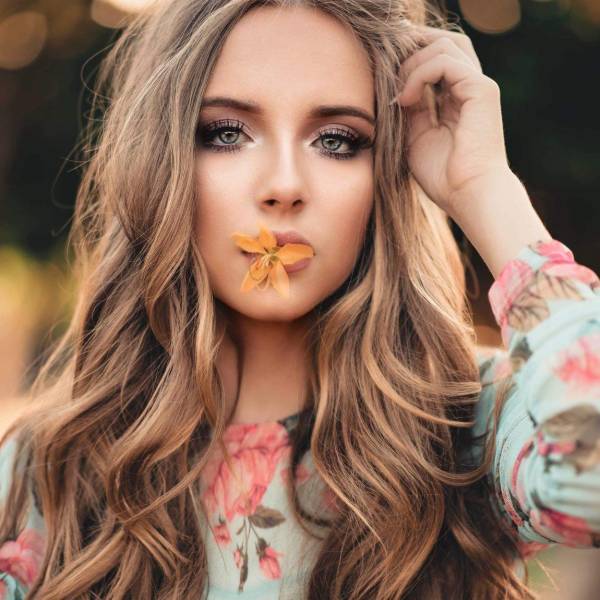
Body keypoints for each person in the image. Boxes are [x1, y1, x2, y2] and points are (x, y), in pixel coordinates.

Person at [1, 0, 599, 598]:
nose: (285, 185)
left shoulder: (469, 427)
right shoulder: (45, 473)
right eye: (226, 133)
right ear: (160, 161)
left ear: (386, 174)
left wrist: (485, 188)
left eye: (337, 141)